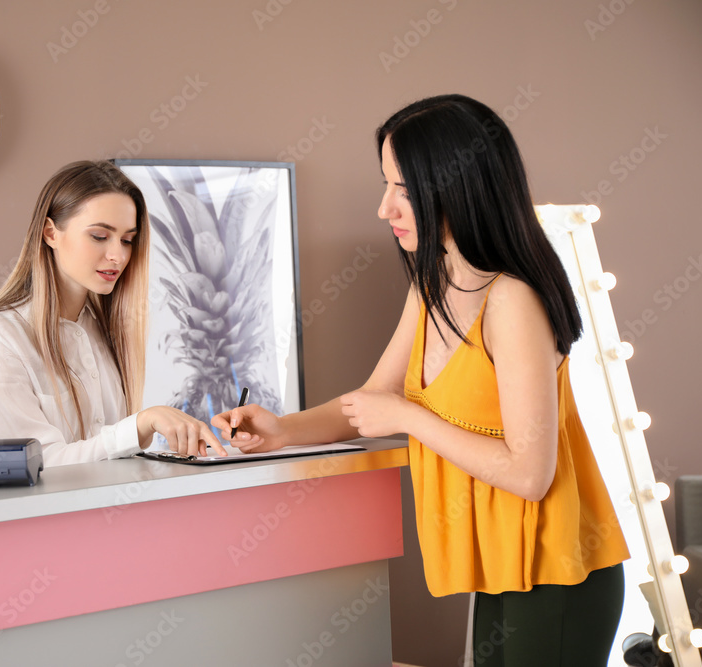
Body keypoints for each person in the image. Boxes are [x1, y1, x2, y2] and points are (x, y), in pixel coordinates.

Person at [212, 95, 629, 666]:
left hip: (557, 567)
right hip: (505, 565)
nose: (385, 208)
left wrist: (410, 419)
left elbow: (530, 475)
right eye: (385, 186)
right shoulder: (432, 286)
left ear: (460, 186)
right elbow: (375, 401)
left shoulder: (511, 301)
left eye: (403, 190)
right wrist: (281, 430)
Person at [0, 160, 224, 477]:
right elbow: (37, 466)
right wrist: (140, 424)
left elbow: (106, 461)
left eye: (126, 240)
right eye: (99, 236)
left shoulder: (103, 332)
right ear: (50, 233)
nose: (118, 256)